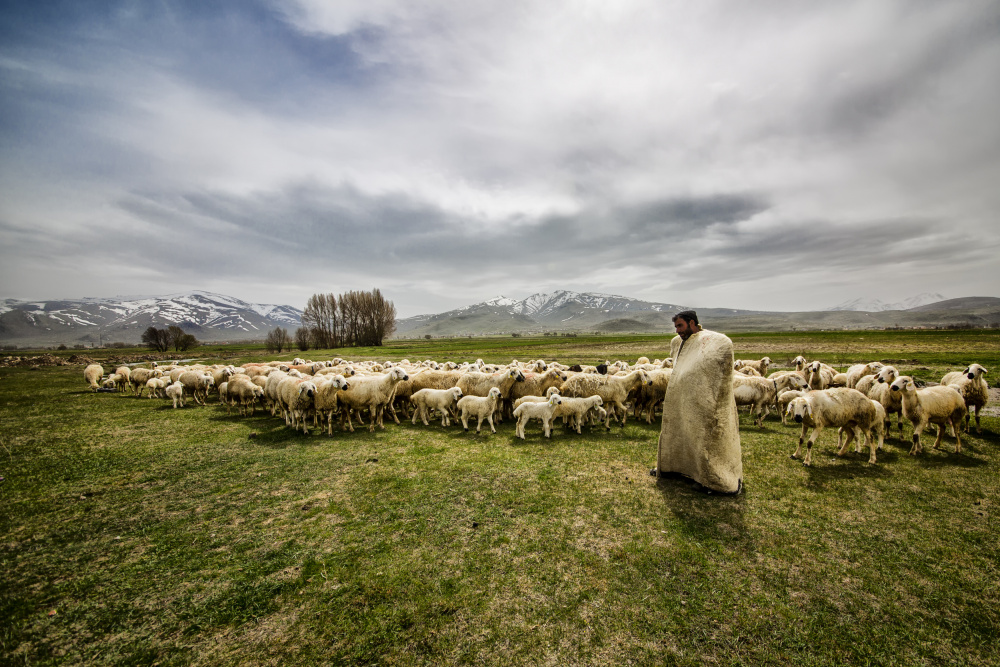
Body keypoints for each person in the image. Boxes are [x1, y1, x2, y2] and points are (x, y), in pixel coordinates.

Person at [651, 310, 743, 494]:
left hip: (704, 402)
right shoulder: (678, 343)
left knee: (703, 438)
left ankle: (711, 479)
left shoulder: (715, 342)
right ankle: (672, 467)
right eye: (676, 326)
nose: (677, 331)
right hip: (681, 399)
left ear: (692, 323)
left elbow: (716, 373)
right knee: (676, 432)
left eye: (680, 326)